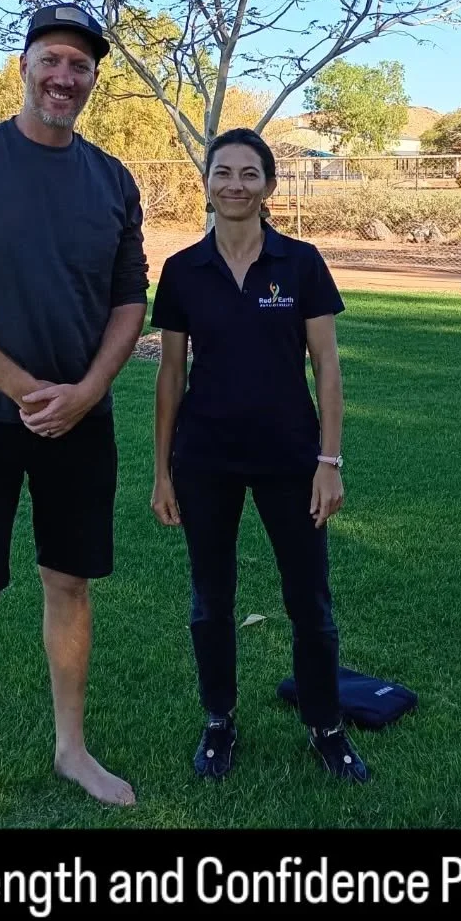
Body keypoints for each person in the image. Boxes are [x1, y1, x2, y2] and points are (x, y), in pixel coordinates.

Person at [0, 4, 148, 827]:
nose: (64, 77)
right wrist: (23, 389)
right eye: (52, 59)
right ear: (24, 66)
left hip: (81, 422)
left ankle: (71, 748)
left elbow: (129, 299)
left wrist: (85, 392)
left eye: (80, 65)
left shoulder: (112, 179)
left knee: (69, 584)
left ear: (92, 79)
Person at [150, 128, 368, 783]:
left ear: (269, 186)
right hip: (205, 460)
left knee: (310, 601)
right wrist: (162, 472)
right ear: (207, 183)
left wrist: (329, 463)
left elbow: (327, 366)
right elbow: (171, 374)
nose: (236, 185)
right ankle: (219, 721)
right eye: (224, 173)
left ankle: (326, 727)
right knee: (210, 600)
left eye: (250, 174)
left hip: (290, 459)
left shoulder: (301, 264)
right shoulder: (183, 270)